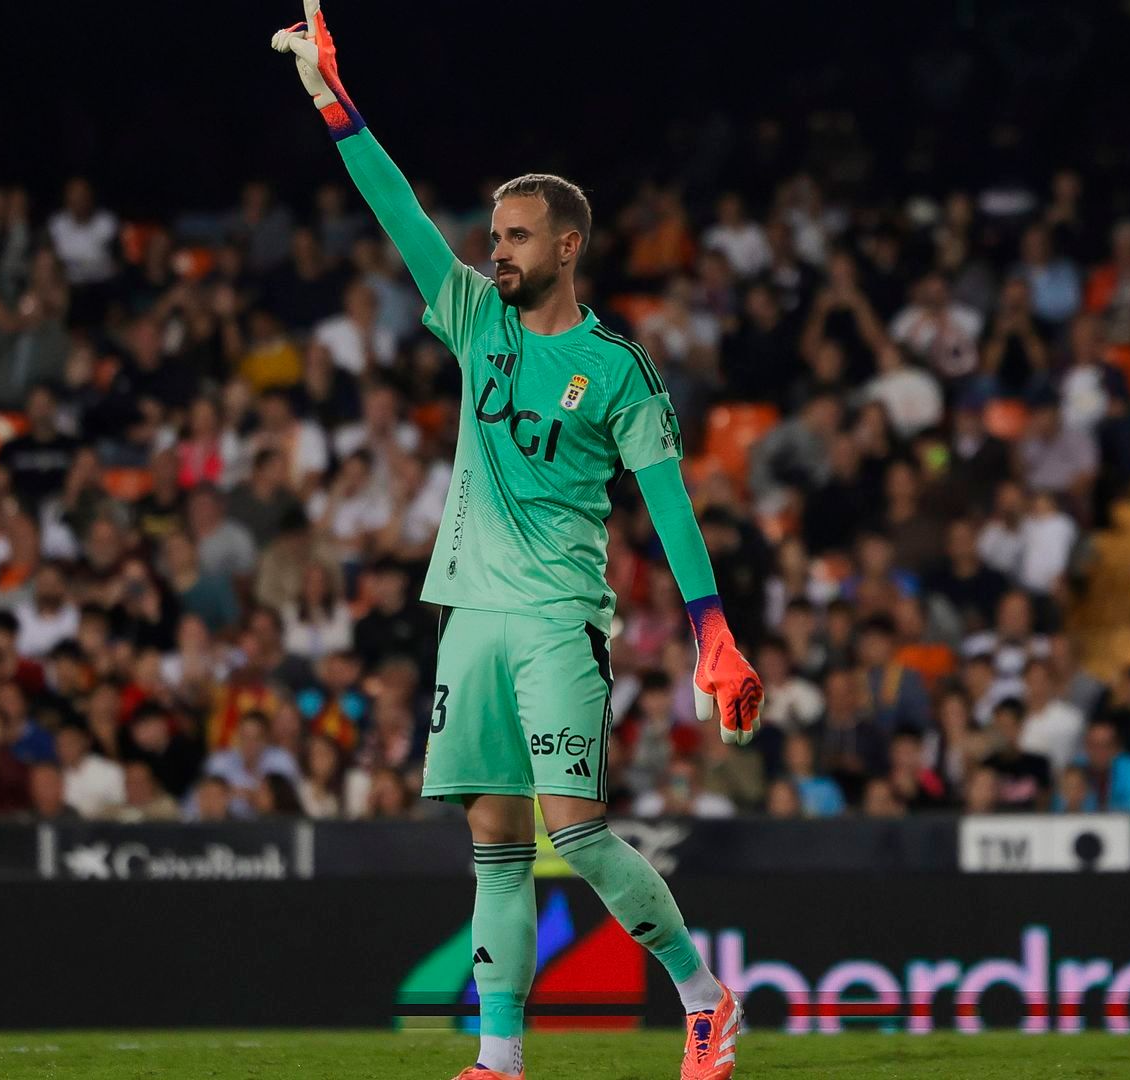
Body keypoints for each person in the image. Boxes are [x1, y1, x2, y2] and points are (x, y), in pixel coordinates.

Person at [271, 11, 762, 1077]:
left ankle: (705, 997)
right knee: (495, 845)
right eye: (492, 235)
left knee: (576, 833)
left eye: (517, 236)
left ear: (568, 245)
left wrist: (710, 630)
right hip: (470, 617)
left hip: (557, 620)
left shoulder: (620, 371)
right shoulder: (470, 316)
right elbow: (394, 209)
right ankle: (498, 1062)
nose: (495, 250)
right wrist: (331, 100)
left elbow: (669, 504)